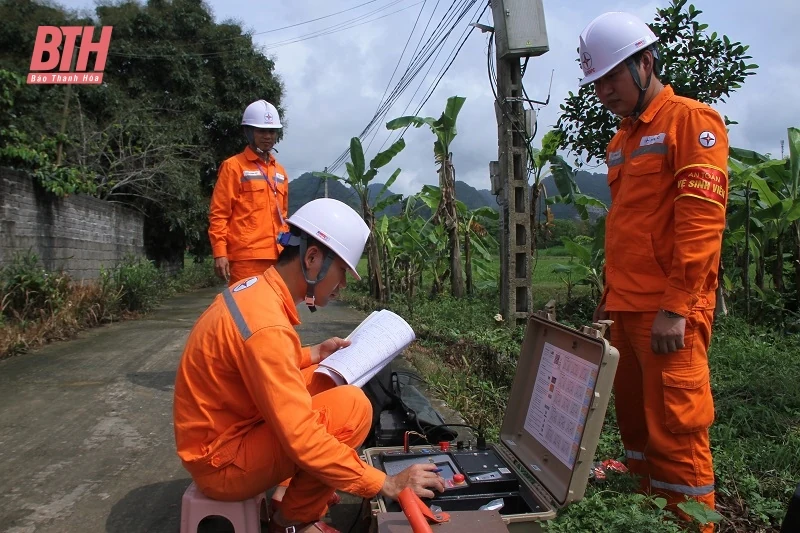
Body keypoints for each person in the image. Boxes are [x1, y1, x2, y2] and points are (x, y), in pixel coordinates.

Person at [174, 198, 445, 533]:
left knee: (323, 381)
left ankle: (291, 490)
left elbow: (256, 361)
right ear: (313, 258)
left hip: (224, 433)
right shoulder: (268, 327)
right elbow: (300, 437)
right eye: (343, 271)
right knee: (352, 408)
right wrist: (385, 483)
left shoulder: (257, 291)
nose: (343, 284)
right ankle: (292, 520)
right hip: (222, 464)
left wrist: (314, 353)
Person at [578, 12, 728, 531]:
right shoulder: (619, 142)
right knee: (637, 429)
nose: (603, 92)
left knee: (677, 433)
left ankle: (694, 525)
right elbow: (630, 227)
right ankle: (648, 518)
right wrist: (608, 296)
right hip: (626, 308)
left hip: (668, 314)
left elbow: (700, 223)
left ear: (645, 63)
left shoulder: (691, 122)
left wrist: (675, 307)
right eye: (596, 82)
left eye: (611, 78)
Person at [209, 99, 290, 285]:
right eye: (261, 130)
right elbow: (219, 214)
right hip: (246, 259)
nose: (268, 136)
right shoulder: (233, 167)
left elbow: (283, 216)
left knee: (272, 311)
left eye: (271, 131)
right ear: (248, 132)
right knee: (246, 312)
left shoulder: (280, 171)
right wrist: (220, 252)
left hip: (278, 257)